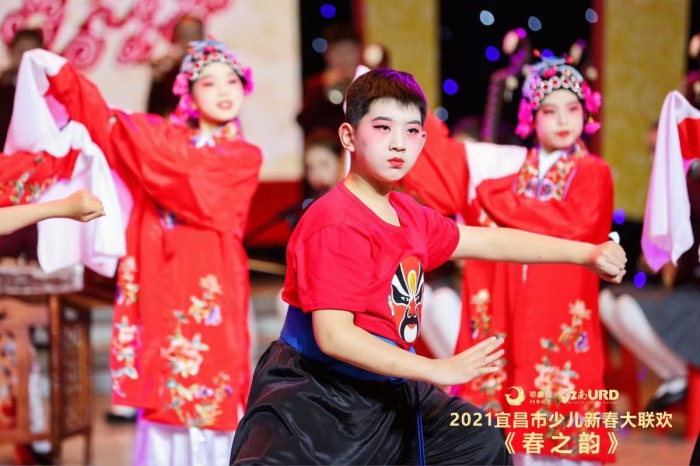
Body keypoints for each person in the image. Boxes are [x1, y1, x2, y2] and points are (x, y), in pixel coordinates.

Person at [229, 68, 626, 465]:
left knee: (480, 441)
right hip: (321, 397)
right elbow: (335, 336)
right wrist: (436, 369)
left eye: (411, 131)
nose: (398, 143)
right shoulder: (335, 221)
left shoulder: (407, 212)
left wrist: (586, 254)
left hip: (385, 387)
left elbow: (491, 240)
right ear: (348, 136)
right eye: (383, 128)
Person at [0, 37, 262, 466]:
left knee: (211, 390)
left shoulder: (242, 157)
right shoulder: (158, 140)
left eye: (232, 81)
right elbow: (105, 124)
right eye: (209, 82)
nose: (223, 90)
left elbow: (191, 184)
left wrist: (142, 152)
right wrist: (64, 78)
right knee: (159, 390)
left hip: (210, 290)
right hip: (159, 283)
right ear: (189, 94)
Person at [399, 55, 616, 464]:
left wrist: (492, 199)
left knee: (562, 412)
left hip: (561, 305)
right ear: (531, 117)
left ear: (586, 113)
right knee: (512, 420)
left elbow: (565, 222)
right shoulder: (511, 171)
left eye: (572, 109)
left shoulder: (593, 171)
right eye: (549, 111)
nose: (562, 120)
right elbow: (447, 171)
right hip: (513, 310)